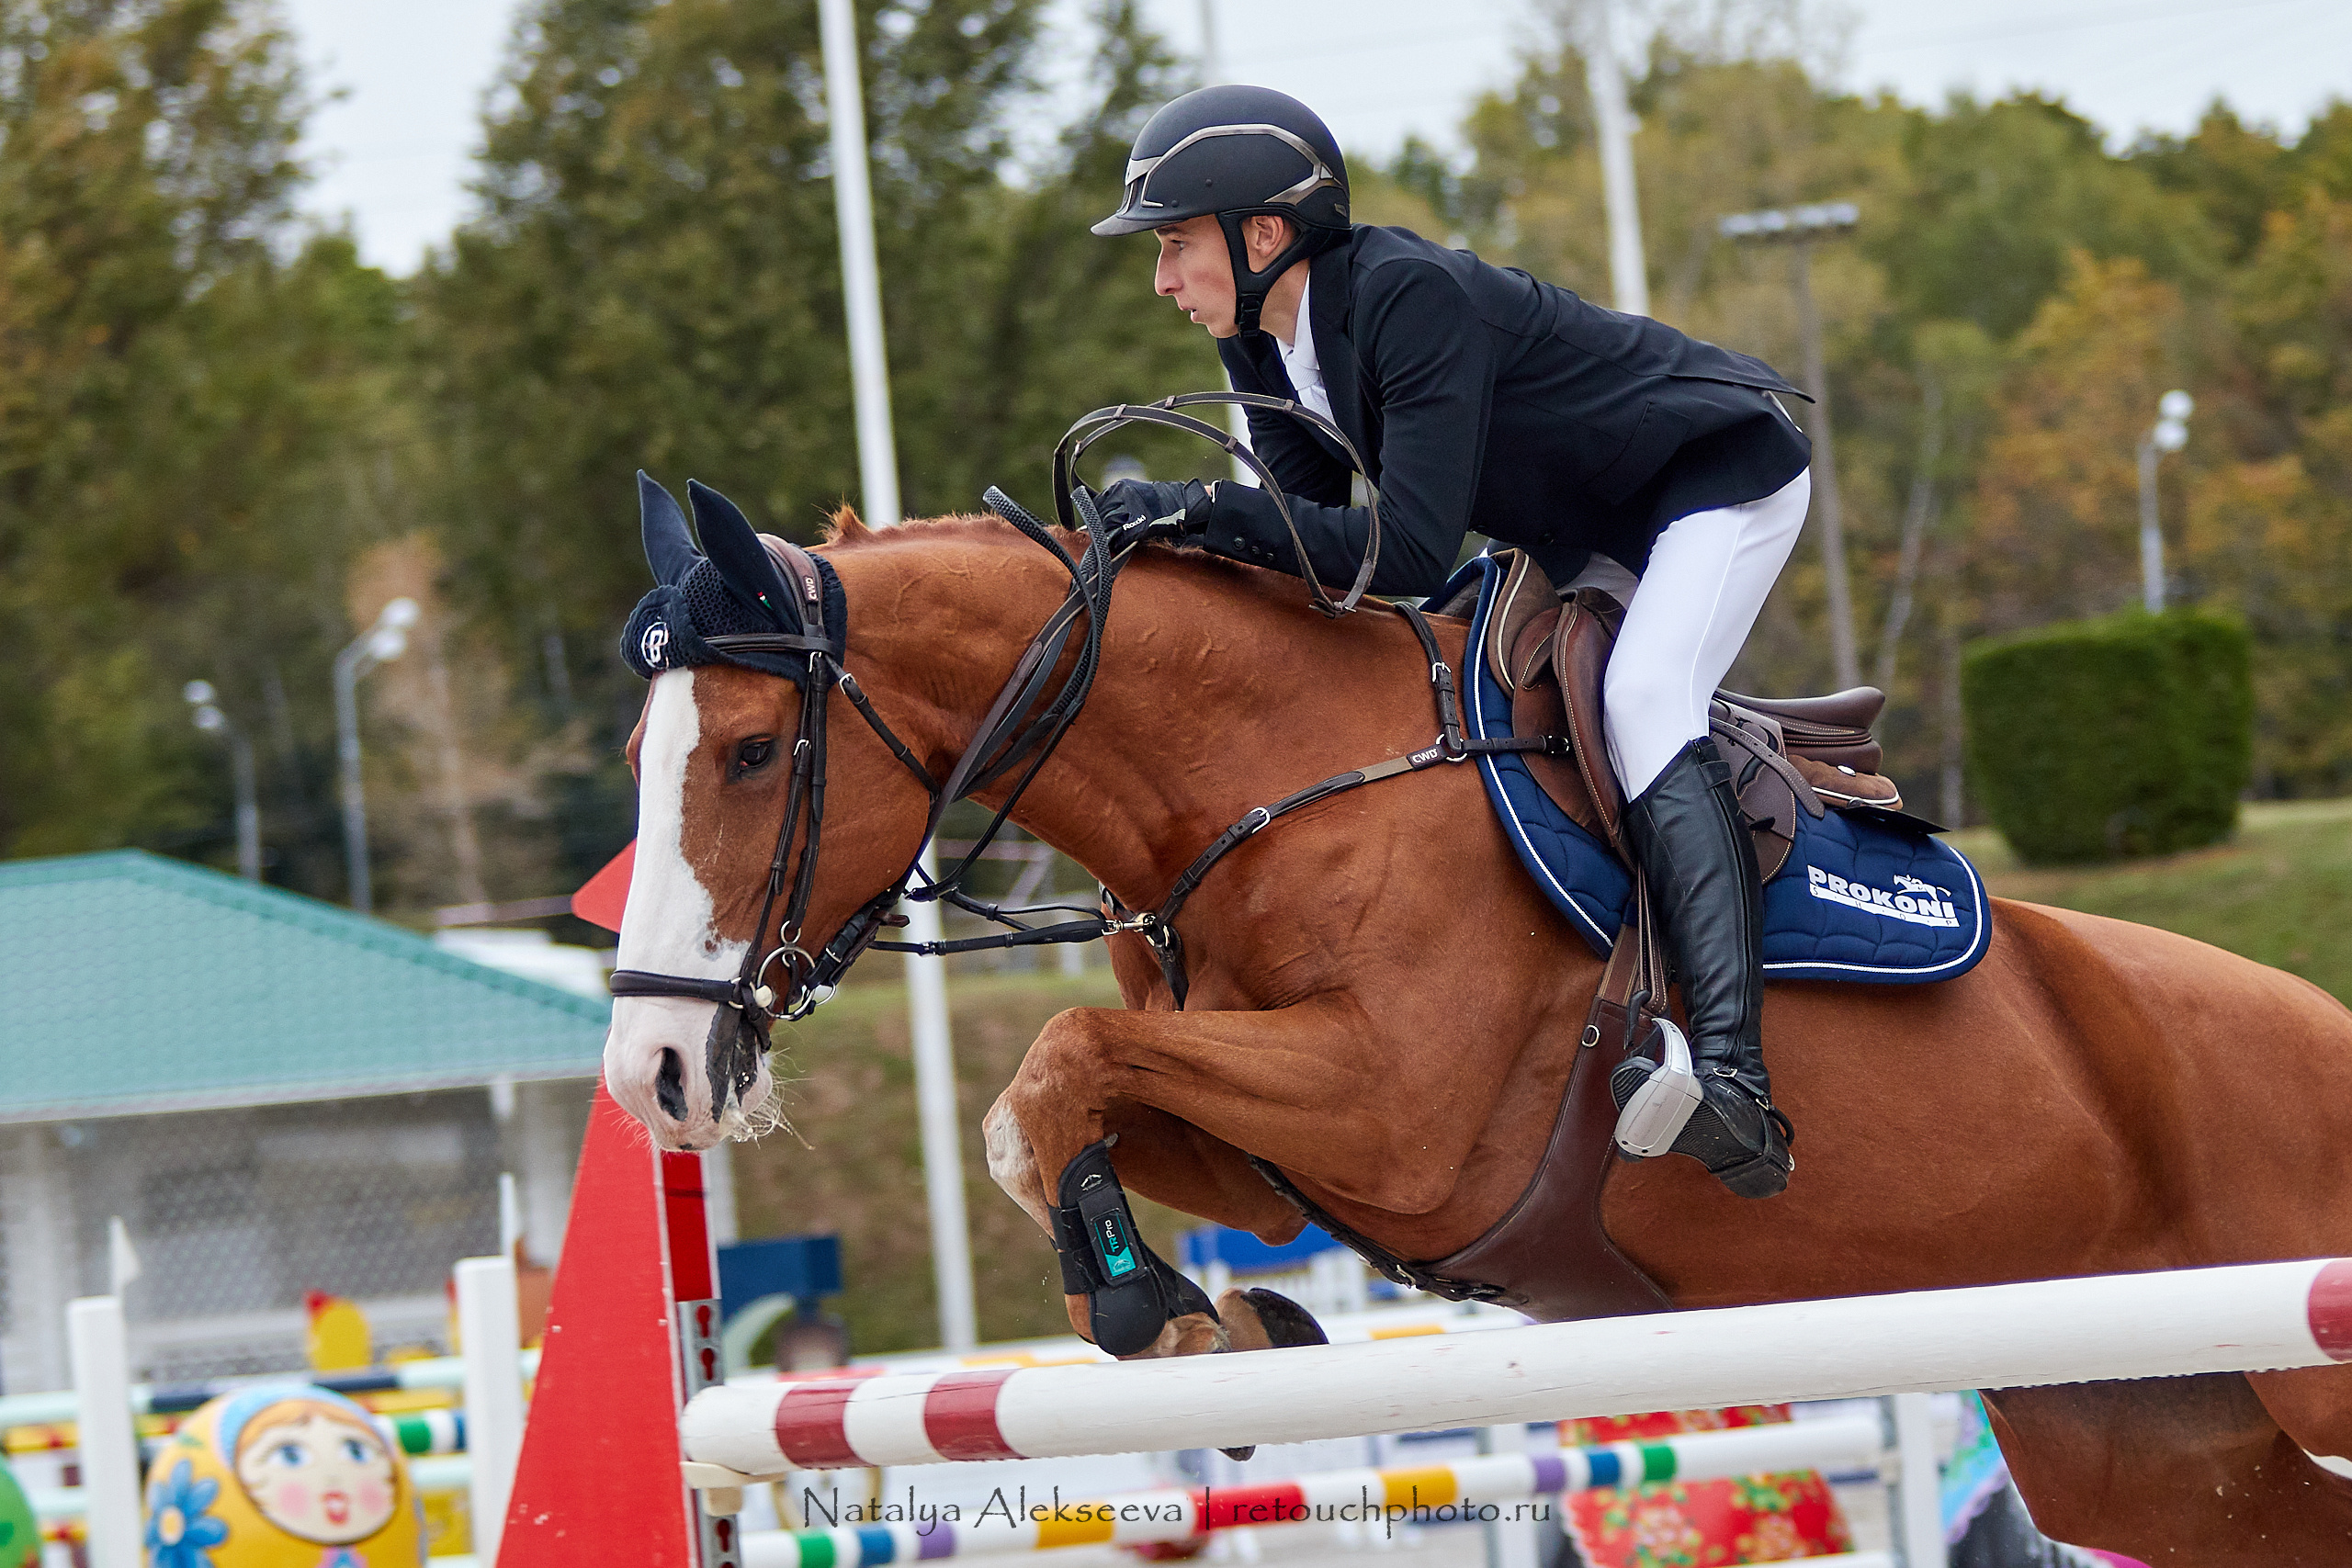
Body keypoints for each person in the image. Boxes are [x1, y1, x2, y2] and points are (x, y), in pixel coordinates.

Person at [1091, 84, 1812, 1200]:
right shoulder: (1264, 338)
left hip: (1709, 485)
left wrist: (1196, 507)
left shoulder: (1405, 297)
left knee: (1642, 701)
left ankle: (1734, 1075)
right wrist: (1166, 554)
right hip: (1580, 526)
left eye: (1176, 245)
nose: (1160, 279)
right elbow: (1303, 548)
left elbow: (1410, 551)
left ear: (1263, 235)